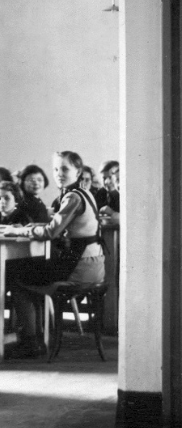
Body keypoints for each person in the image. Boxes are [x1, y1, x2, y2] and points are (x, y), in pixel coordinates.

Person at [5, 150, 106, 359]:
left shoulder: (73, 197)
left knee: (15, 275)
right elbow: (58, 225)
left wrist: (19, 230)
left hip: (80, 267)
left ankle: (31, 341)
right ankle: (33, 336)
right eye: (56, 169)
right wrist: (34, 227)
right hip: (92, 263)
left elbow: (51, 232)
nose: (59, 173)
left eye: (65, 169)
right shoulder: (84, 193)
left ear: (78, 171)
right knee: (28, 271)